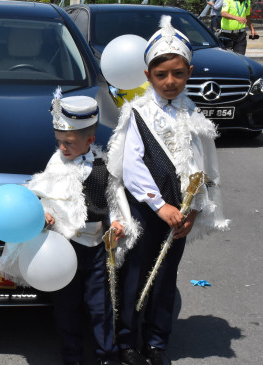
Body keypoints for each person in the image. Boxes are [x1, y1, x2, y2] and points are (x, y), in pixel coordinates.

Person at [105, 15, 229, 365]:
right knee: (134, 274)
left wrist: (193, 210)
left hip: (179, 211)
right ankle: (126, 340)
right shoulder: (138, 113)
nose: (170, 81)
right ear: (148, 76)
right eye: (161, 75)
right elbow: (131, 166)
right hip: (147, 207)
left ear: (189, 72)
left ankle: (157, 342)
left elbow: (202, 168)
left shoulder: (193, 114)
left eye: (178, 73)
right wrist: (160, 206)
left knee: (165, 274)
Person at [0, 92, 138, 365]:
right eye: (59, 142)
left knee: (102, 306)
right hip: (64, 247)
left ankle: (106, 355)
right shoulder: (56, 164)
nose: (62, 148)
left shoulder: (102, 165)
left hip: (97, 246)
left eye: (69, 143)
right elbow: (42, 195)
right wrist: (44, 215)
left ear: (90, 140)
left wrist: (118, 221)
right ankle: (71, 355)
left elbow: (113, 196)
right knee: (66, 306)